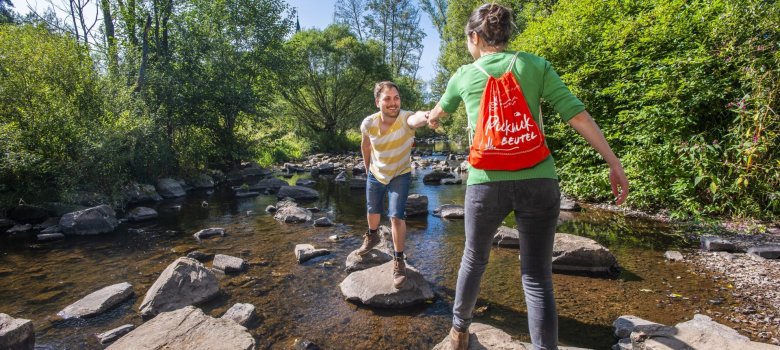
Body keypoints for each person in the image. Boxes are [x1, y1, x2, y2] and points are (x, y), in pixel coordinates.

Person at [425, 4, 629, 350]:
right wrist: (613, 161)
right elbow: (576, 115)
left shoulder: (463, 75)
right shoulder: (535, 65)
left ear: (475, 37)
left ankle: (459, 331)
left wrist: (429, 118)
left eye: (466, 40)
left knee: (474, 258)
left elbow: (437, 112)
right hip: (540, 181)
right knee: (536, 277)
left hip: (486, 183)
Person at [357, 81, 429, 289]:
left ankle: (398, 260)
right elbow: (365, 145)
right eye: (387, 98)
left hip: (400, 173)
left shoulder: (406, 119)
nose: (393, 103)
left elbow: (417, 118)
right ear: (377, 101)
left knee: (396, 216)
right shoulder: (368, 123)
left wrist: (428, 115)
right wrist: (367, 167)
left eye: (396, 98)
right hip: (376, 173)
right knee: (373, 210)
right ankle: (371, 237)